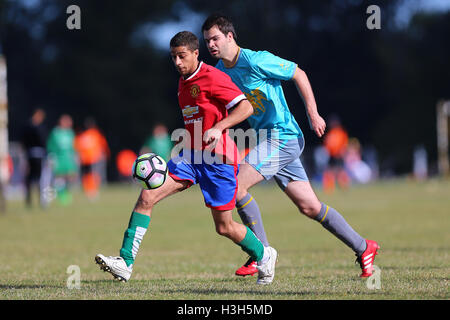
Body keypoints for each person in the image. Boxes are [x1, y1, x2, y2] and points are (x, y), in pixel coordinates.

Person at [202, 14, 379, 278]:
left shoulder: (257, 59)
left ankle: (259, 253)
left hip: (284, 137)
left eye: (215, 38)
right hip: (267, 142)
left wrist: (313, 113)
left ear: (230, 36)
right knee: (310, 207)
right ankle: (364, 247)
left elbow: (298, 73)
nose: (211, 45)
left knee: (236, 185)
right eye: (207, 41)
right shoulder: (219, 72)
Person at [95, 31, 277, 285]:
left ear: (195, 53)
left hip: (219, 161)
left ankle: (264, 254)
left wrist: (219, 127)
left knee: (224, 227)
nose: (177, 62)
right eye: (173, 57)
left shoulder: (214, 77)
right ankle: (125, 263)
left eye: (182, 56)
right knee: (147, 195)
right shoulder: (183, 82)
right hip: (191, 156)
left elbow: (245, 107)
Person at [74, 117, 110, 199]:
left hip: (90, 159)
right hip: (91, 159)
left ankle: (91, 189)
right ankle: (91, 189)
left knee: (90, 175)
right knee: (92, 175)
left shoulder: (87, 135)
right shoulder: (94, 134)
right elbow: (102, 146)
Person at [46, 114, 77, 205]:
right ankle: (59, 196)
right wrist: (51, 157)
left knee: (70, 177)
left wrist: (74, 157)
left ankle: (65, 194)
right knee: (58, 177)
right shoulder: (55, 132)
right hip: (59, 159)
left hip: (68, 158)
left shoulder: (70, 133)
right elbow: (50, 146)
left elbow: (73, 147)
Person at [21, 108, 48, 208]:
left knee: (31, 178)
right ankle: (38, 200)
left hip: (29, 154)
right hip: (37, 155)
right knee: (39, 178)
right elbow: (43, 141)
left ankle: (33, 200)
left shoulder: (27, 126)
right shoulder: (38, 127)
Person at [322, 116, 350, 192]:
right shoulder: (330, 133)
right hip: (332, 155)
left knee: (341, 171)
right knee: (329, 171)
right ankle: (330, 187)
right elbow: (327, 144)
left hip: (339, 155)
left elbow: (344, 144)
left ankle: (344, 186)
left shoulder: (341, 133)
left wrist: (343, 152)